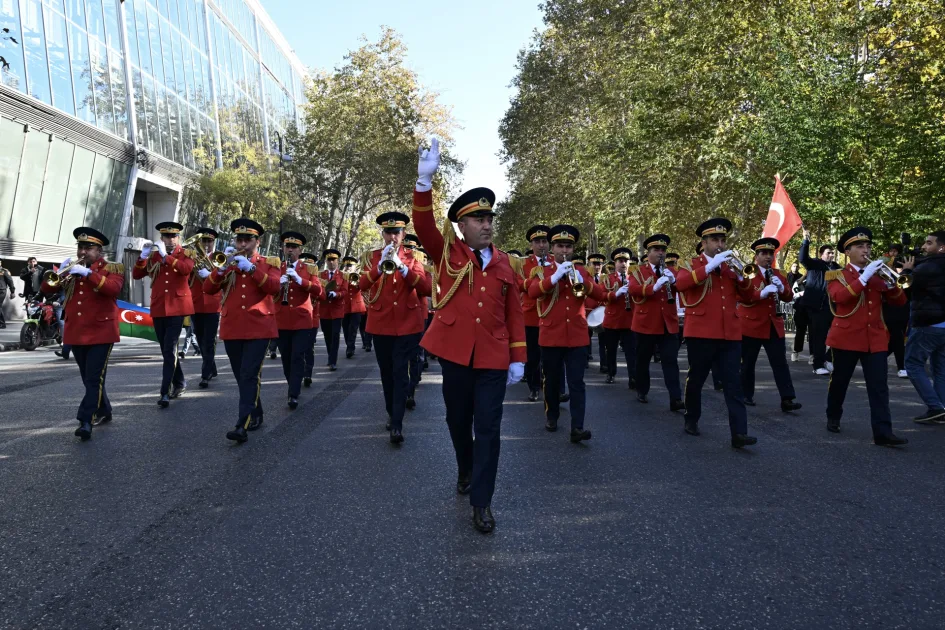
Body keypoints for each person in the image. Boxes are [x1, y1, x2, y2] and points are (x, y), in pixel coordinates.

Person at [413, 138, 525, 534]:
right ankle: (464, 465)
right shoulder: (447, 253)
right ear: (462, 226)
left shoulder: (507, 263)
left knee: (490, 429)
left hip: (494, 357)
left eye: (490, 218)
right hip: (456, 355)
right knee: (458, 421)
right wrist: (424, 184)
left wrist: (517, 356)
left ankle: (483, 502)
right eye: (478, 219)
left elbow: (514, 311)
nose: (487, 224)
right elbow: (423, 225)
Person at [528, 224, 618, 442]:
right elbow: (533, 292)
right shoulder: (541, 272)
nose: (564, 250)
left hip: (577, 336)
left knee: (577, 382)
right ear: (552, 248)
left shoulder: (581, 272)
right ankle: (552, 415)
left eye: (568, 246)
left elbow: (599, 295)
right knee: (551, 380)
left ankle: (577, 426)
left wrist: (584, 281)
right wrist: (555, 276)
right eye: (560, 246)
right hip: (551, 335)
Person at [675, 218, 757, 448]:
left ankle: (739, 433)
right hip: (701, 333)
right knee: (697, 379)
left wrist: (743, 278)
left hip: (729, 334)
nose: (719, 244)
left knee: (733, 384)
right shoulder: (690, 265)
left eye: (722, 240)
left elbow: (749, 298)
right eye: (714, 240)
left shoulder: (731, 269)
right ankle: (691, 417)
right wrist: (709, 267)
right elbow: (680, 285)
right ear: (704, 243)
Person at [824, 227, 908, 446]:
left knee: (879, 387)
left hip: (876, 338)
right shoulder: (837, 275)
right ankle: (833, 414)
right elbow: (839, 297)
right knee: (840, 381)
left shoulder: (879, 273)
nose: (866, 250)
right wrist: (865, 276)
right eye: (860, 246)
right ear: (847, 251)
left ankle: (883, 432)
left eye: (868, 246)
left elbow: (900, 302)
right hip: (846, 338)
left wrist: (892, 285)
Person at [41, 228, 124, 440]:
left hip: (101, 332)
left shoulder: (112, 268)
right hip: (77, 332)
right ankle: (104, 409)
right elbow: (47, 289)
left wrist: (89, 274)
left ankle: (85, 420)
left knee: (94, 377)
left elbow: (113, 289)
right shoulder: (72, 269)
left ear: (99, 250)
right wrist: (60, 272)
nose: (83, 252)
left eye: (89, 248)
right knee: (89, 379)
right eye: (81, 247)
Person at [204, 218, 281, 444]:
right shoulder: (228, 262)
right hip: (233, 327)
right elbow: (208, 289)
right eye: (240, 239)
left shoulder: (269, 262)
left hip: (259, 327)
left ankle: (242, 424)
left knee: (249, 374)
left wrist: (253, 269)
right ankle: (255, 412)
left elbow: (275, 287)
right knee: (241, 375)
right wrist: (222, 269)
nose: (243, 244)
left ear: (258, 241)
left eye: (248, 239)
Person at [359, 211, 431, 443]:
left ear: (403, 234)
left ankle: (397, 424)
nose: (392, 237)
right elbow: (361, 285)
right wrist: (378, 268)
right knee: (386, 373)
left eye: (396, 232)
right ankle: (392, 412)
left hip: (408, 324)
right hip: (380, 324)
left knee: (401, 373)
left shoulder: (414, 257)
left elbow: (426, 288)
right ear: (383, 233)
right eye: (388, 232)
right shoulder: (371, 257)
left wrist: (402, 268)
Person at [132, 222, 194, 408]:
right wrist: (143, 257)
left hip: (177, 307)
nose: (170, 239)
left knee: (169, 349)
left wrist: (166, 256)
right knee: (167, 350)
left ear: (178, 237)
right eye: (166, 236)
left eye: (173, 236)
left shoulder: (186, 254)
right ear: (161, 238)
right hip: (159, 307)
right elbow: (136, 274)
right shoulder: (154, 255)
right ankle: (180, 382)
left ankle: (164, 392)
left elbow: (186, 269)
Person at [737, 238, 802, 411]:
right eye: (763, 253)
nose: (768, 257)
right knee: (748, 363)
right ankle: (745, 394)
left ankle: (787, 398)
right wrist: (761, 295)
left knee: (780, 363)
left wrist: (782, 289)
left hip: (773, 324)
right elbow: (741, 296)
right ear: (756, 256)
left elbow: (788, 297)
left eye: (770, 254)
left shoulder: (778, 273)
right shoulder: (748, 272)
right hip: (751, 324)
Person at [627, 235, 685, 410]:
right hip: (646, 323)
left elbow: (684, 287)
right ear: (649, 253)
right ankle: (642, 389)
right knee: (643, 360)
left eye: (663, 250)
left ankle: (675, 398)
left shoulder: (672, 271)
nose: (660, 253)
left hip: (668, 323)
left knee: (670, 361)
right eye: (656, 250)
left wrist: (674, 281)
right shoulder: (638, 271)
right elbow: (633, 289)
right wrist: (653, 287)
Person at [900, 230, 945, 423]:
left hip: (928, 323)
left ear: (941, 247)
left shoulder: (929, 266)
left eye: (929, 243)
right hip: (942, 325)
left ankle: (935, 407)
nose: (924, 247)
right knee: (940, 369)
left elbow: (906, 288)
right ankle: (941, 408)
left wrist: (907, 270)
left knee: (912, 364)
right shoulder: (931, 264)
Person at [275, 231, 322, 409]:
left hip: (302, 319)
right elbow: (269, 291)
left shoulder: (309, 269)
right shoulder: (276, 267)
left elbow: (318, 291)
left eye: (294, 247)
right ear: (283, 248)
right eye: (288, 246)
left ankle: (293, 393)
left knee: (297, 356)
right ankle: (292, 384)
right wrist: (278, 283)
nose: (290, 250)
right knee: (286, 357)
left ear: (300, 249)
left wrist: (299, 280)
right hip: (281, 319)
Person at [797, 228, 841, 375]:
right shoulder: (814, 264)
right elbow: (803, 258)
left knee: (840, 333)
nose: (831, 255)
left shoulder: (836, 267)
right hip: (817, 306)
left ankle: (828, 359)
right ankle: (818, 365)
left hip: (833, 306)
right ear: (821, 254)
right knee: (819, 337)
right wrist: (806, 241)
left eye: (832, 253)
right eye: (829, 253)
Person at [188, 228, 222, 389]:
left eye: (209, 241)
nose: (206, 244)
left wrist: (209, 275)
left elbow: (223, 278)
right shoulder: (192, 258)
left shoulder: (218, 259)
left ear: (213, 242)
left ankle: (205, 374)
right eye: (204, 241)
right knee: (200, 339)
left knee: (209, 340)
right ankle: (211, 366)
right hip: (196, 303)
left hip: (212, 304)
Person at [521, 225, 551, 401]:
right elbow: (518, 283)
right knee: (533, 355)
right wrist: (533, 284)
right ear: (532, 244)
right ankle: (533, 386)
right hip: (531, 316)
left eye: (544, 241)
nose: (541, 245)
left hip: (551, 315)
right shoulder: (523, 264)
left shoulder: (556, 263)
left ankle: (555, 388)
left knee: (552, 355)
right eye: (537, 242)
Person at [601, 248, 636, 387]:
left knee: (631, 352)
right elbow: (602, 296)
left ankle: (633, 377)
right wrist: (615, 294)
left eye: (626, 261)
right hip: (612, 320)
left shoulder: (634, 278)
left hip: (629, 320)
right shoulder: (608, 279)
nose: (623, 264)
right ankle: (611, 372)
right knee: (611, 350)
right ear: (615, 263)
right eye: (620, 261)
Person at [401, 235, 426, 410]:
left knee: (416, 354)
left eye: (413, 247)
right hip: (402, 313)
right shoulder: (400, 260)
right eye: (407, 246)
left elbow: (428, 287)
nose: (411, 250)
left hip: (420, 312)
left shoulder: (422, 263)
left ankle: (411, 388)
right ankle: (406, 390)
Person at [317, 249, 347, 371]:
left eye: (333, 260)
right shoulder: (320, 275)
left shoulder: (343, 276)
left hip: (337, 310)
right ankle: (330, 355)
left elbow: (345, 291)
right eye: (329, 260)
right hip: (324, 310)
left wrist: (336, 294)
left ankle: (332, 360)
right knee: (327, 335)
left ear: (337, 261)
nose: (331, 262)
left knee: (335, 335)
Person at [883, 243, 910, 378]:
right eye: (891, 251)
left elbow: (906, 286)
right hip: (890, 309)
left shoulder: (901, 264)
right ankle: (901, 367)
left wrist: (903, 271)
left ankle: (877, 358)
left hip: (903, 309)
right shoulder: (883, 265)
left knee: (897, 339)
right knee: (897, 338)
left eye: (895, 251)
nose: (893, 254)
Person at [299, 252, 321, 387]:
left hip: (312, 318)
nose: (308, 266)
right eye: (306, 264)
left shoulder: (318, 279)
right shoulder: (296, 276)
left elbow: (321, 295)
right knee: (297, 349)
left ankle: (307, 373)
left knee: (308, 347)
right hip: (298, 317)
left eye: (311, 264)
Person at [341, 255, 365, 360]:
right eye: (347, 265)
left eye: (350, 265)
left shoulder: (359, 276)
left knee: (353, 328)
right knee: (346, 328)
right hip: (345, 306)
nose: (348, 267)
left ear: (355, 267)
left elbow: (363, 287)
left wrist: (356, 278)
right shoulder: (342, 276)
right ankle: (349, 345)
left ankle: (350, 348)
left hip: (357, 306)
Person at [586, 253, 607, 364]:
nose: (597, 266)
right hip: (587, 312)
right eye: (594, 264)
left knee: (603, 342)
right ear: (589, 264)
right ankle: (585, 360)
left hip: (602, 314)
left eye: (599, 264)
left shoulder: (606, 278)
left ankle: (604, 364)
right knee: (585, 339)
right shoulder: (585, 278)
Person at [0, 258, 15, 328]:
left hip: (1, 291)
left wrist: (12, 292)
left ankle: (2, 323)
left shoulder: (4, 271)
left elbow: (10, 281)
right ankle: (2, 323)